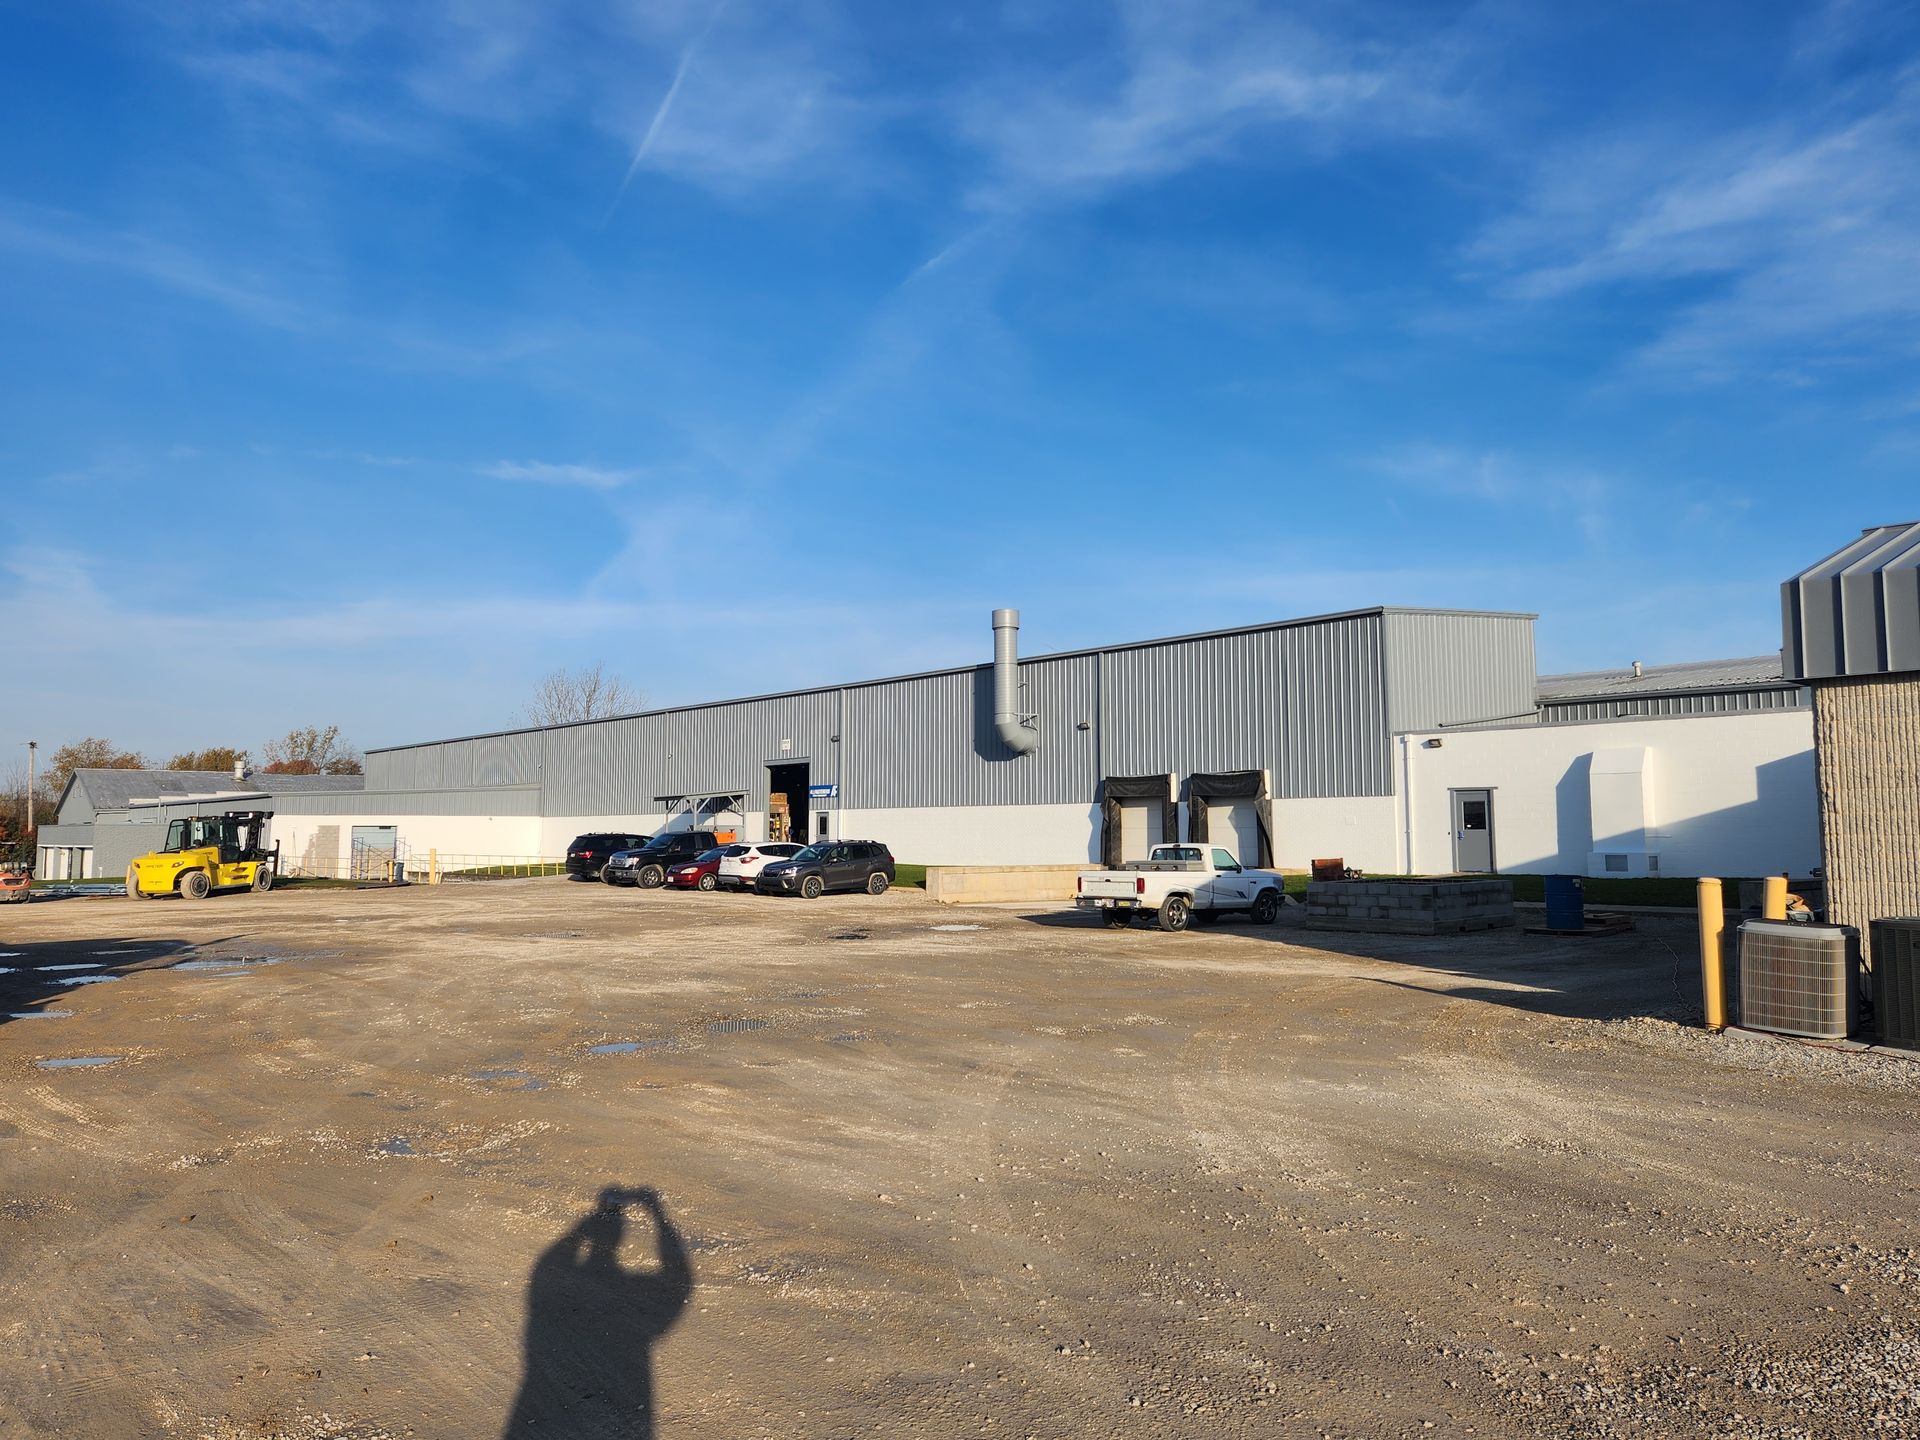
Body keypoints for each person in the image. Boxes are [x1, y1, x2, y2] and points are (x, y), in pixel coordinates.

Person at [501, 1185, 693, 1438]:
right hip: (623, 1389)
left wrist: (584, 1229)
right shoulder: (635, 1301)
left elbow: (549, 1265)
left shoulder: (555, 1292)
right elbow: (679, 1282)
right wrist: (658, 1214)